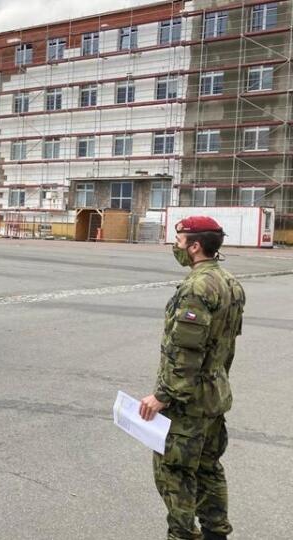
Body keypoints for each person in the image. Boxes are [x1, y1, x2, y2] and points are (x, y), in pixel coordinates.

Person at [139, 215, 245, 540]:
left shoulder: (197, 288)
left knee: (175, 472)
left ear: (195, 246)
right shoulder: (231, 283)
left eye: (180, 241)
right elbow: (225, 349)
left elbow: (186, 352)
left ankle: (182, 535)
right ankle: (216, 533)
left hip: (188, 403)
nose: (177, 246)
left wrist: (163, 396)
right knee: (209, 468)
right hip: (215, 396)